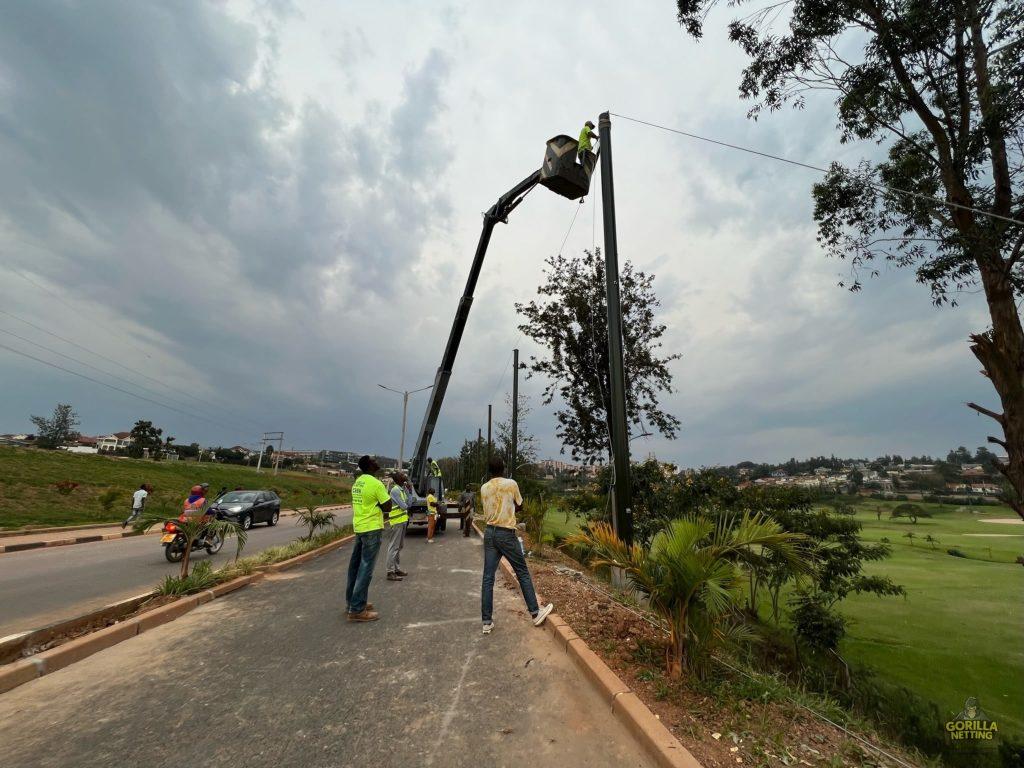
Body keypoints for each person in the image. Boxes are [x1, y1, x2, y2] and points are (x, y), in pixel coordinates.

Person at [479, 455, 553, 635]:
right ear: (503, 468)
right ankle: (535, 613)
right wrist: (510, 506)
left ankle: (486, 622)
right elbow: (520, 505)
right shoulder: (511, 484)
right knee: (522, 572)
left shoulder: (484, 487)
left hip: (490, 533)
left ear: (489, 470)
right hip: (506, 533)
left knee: (488, 578)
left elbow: (487, 509)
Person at [345, 455, 393, 622]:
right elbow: (388, 506)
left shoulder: (358, 482)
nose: (377, 461)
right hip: (372, 528)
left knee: (355, 566)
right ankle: (357, 609)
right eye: (374, 460)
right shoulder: (376, 483)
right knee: (366, 568)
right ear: (370, 466)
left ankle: (352, 602)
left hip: (359, 527)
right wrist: (380, 504)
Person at [385, 471, 411, 581]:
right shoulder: (395, 490)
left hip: (403, 521)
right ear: (398, 479)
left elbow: (409, 503)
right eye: (401, 475)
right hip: (396, 522)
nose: (404, 475)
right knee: (393, 547)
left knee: (399, 547)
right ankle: (390, 571)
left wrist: (409, 491)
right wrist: (407, 502)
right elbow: (405, 506)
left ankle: (396, 568)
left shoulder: (402, 489)